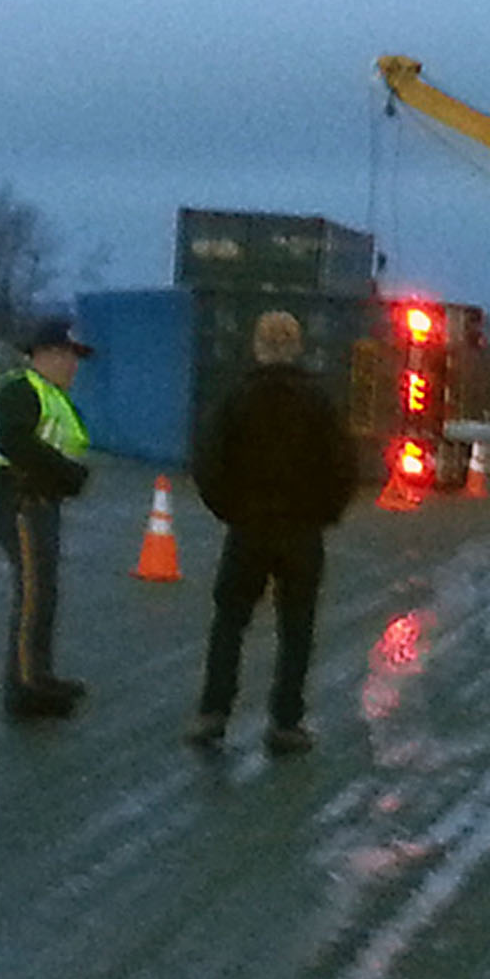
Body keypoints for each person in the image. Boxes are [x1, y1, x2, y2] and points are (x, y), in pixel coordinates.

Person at [186, 311, 355, 754]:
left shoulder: (238, 398)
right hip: (301, 532)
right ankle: (286, 721)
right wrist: (325, 513)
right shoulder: (318, 402)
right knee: (296, 627)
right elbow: (343, 466)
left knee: (230, 622)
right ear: (297, 346)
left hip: (248, 529)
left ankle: (214, 712)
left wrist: (230, 510)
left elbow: (208, 462)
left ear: (257, 347)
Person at [0, 317, 94, 719]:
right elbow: (13, 440)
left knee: (43, 590)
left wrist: (65, 479)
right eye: (69, 356)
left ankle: (38, 675)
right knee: (33, 592)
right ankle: (25, 688)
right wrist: (66, 474)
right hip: (20, 498)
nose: (74, 366)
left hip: (39, 500)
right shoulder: (20, 389)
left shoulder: (50, 394)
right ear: (46, 354)